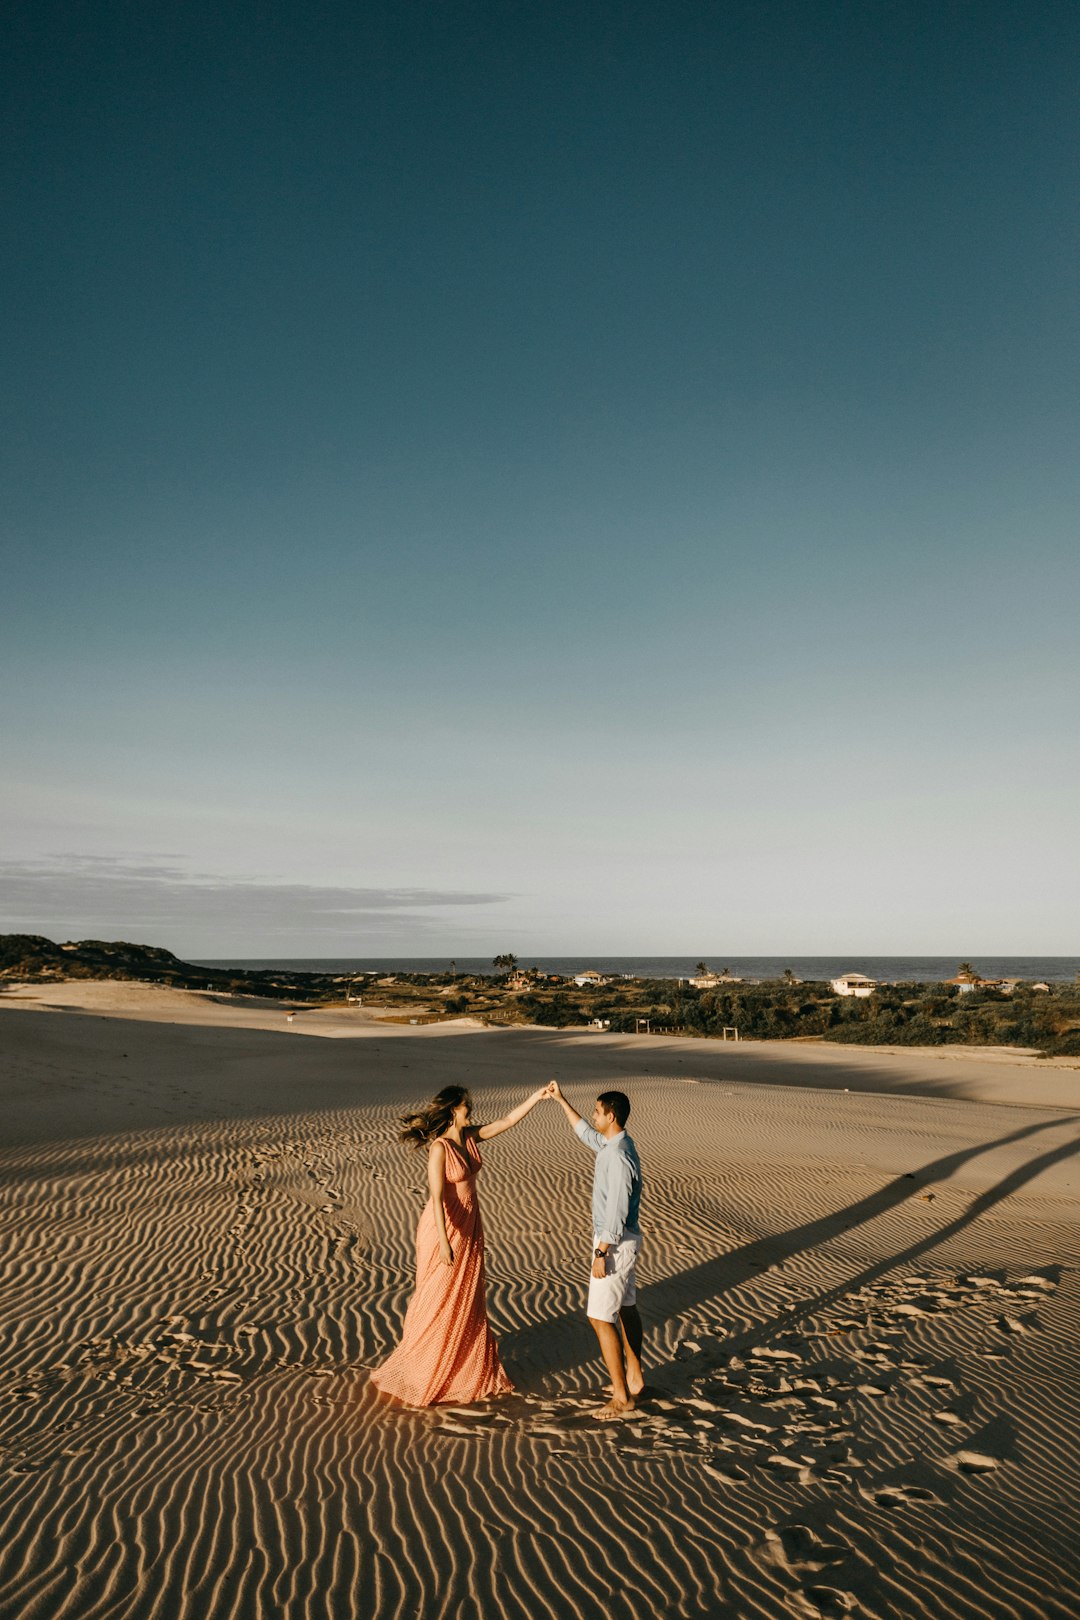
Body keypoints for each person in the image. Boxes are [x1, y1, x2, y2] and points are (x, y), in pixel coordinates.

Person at [370, 1083, 548, 1407]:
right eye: (467, 1106)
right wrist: (443, 1241)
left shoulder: (469, 1137)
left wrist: (536, 1097)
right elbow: (436, 1198)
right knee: (437, 1297)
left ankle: (461, 1369)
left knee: (467, 1298)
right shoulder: (440, 1148)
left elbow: (507, 1122)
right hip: (445, 1228)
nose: (471, 1110)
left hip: (470, 1224)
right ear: (454, 1110)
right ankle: (423, 1369)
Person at [545, 1081, 643, 1419]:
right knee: (627, 1308)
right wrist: (561, 1101)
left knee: (600, 1317)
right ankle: (634, 1376)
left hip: (612, 1243)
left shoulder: (617, 1157)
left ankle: (621, 1396)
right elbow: (586, 1133)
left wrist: (601, 1254)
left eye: (597, 1112)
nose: (593, 1115)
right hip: (622, 1240)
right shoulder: (616, 1143)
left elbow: (615, 1210)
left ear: (611, 1115)